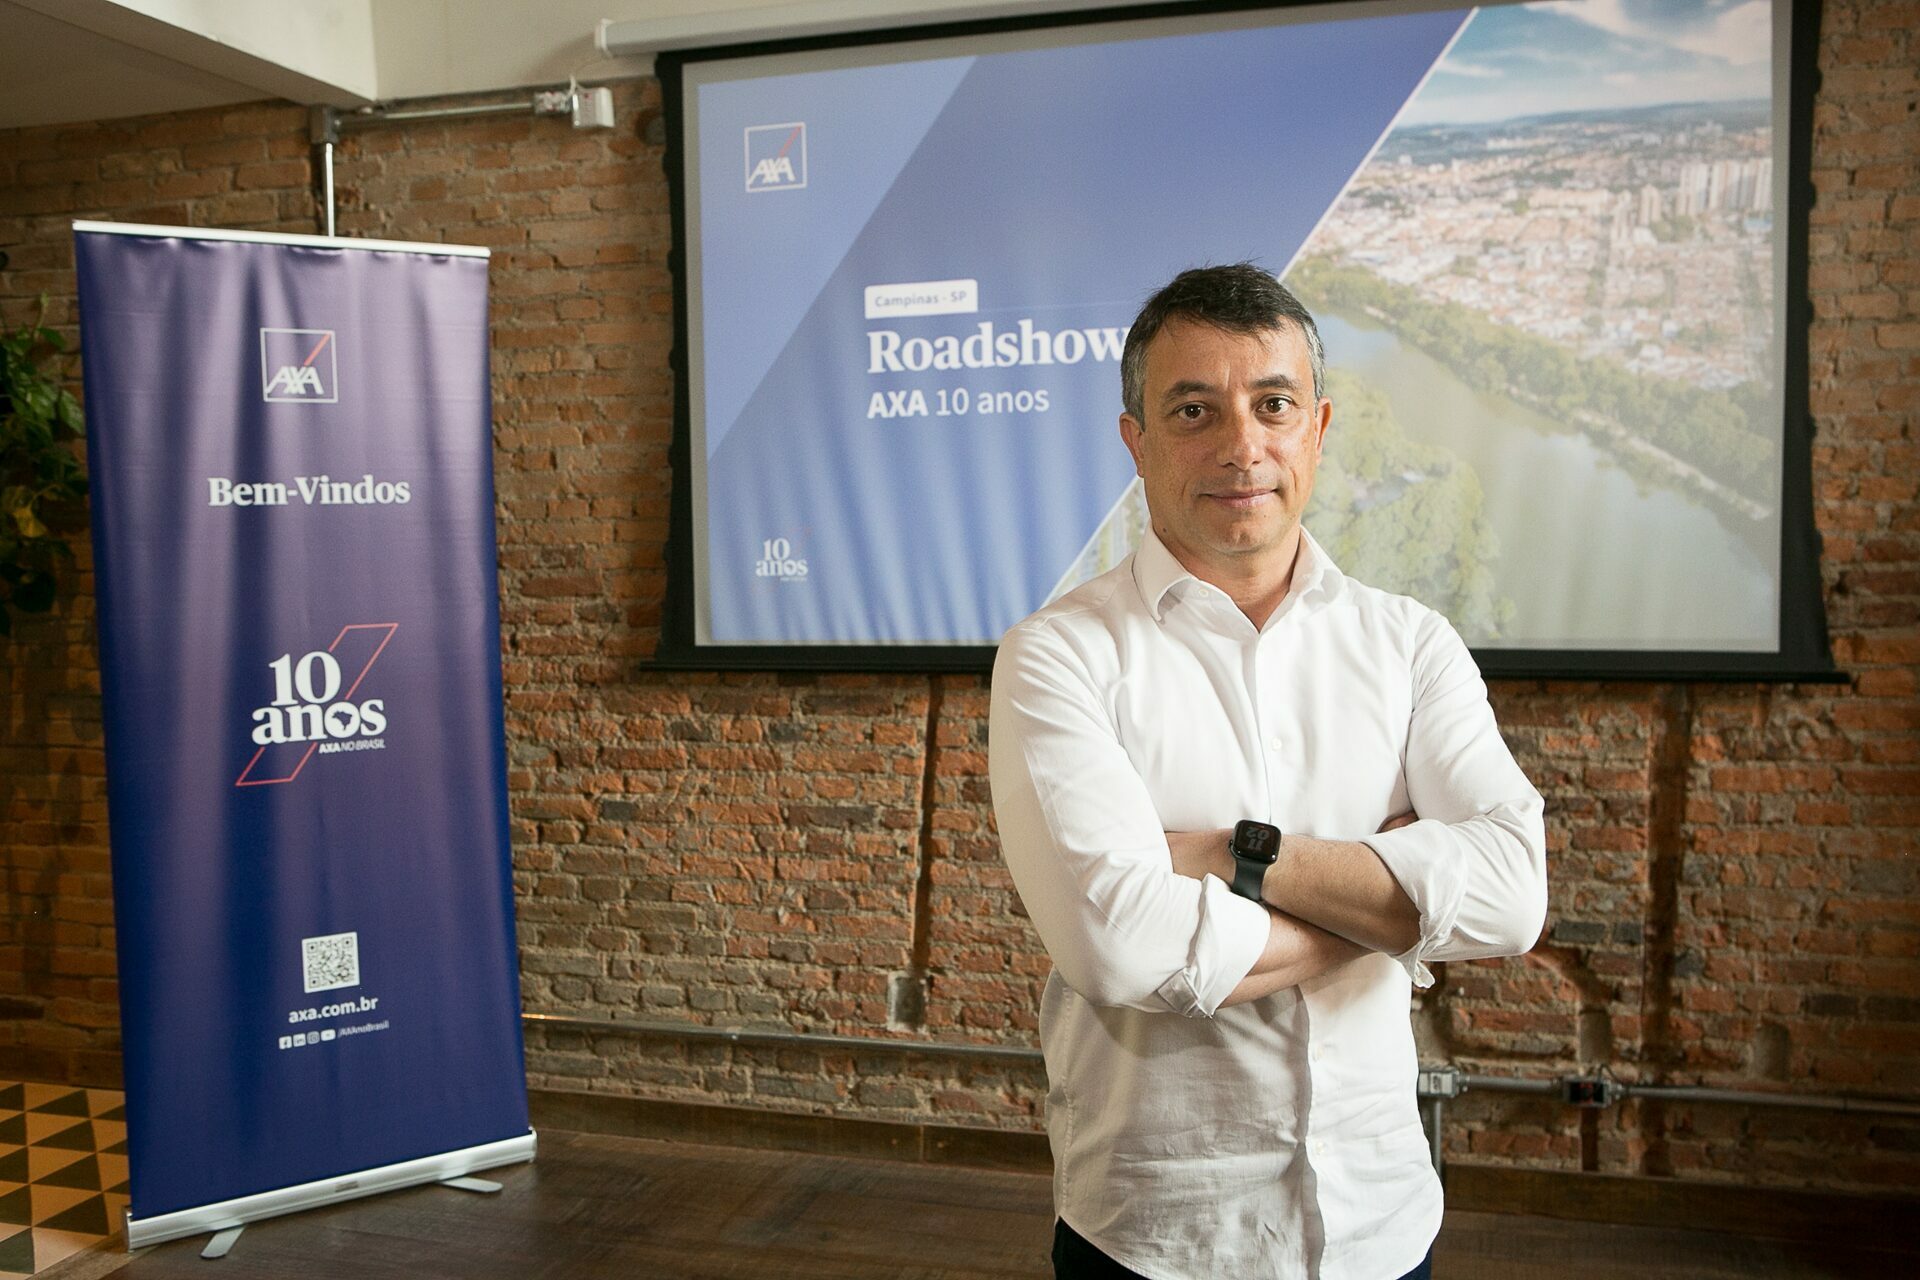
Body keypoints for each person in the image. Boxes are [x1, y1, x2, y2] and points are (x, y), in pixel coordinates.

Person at [988, 263, 1548, 1280]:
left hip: (1383, 1224)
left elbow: (1512, 898)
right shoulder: (1058, 655)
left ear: (1318, 429)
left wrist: (1233, 856)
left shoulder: (1412, 645)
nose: (1242, 445)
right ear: (1136, 441)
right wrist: (1388, 903)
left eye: (1274, 405)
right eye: (1193, 410)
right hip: (1160, 1238)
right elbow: (1119, 948)